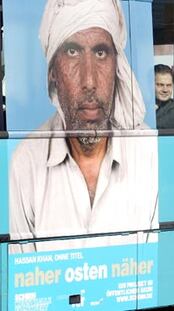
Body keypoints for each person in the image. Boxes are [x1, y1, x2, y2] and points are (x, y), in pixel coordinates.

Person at [9, 0, 158, 253]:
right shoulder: (25, 164)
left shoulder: (148, 152)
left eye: (100, 53)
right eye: (72, 52)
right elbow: (24, 272)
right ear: (53, 72)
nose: (89, 81)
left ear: (117, 67)